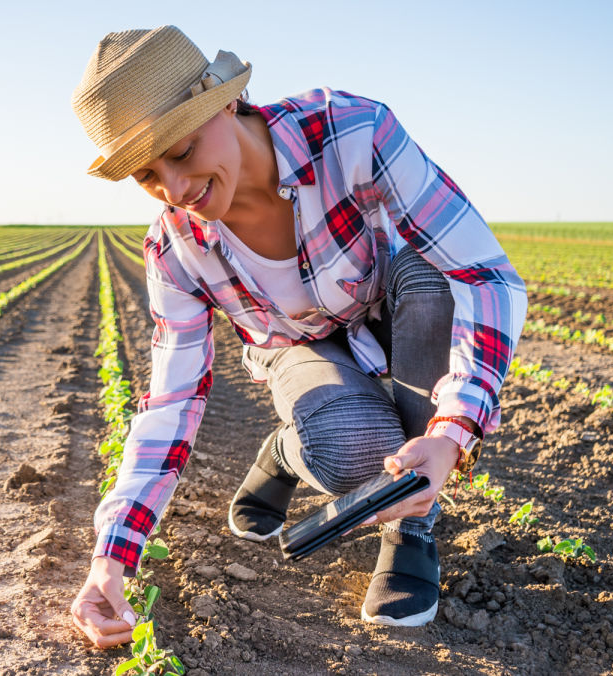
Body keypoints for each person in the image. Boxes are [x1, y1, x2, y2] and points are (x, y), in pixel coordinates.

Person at [68, 25, 527, 649]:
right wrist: (111, 560)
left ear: (224, 102)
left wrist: (452, 431)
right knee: (359, 452)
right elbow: (172, 401)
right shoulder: (175, 251)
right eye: (146, 176)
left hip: (388, 304)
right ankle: (287, 452)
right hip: (294, 346)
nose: (174, 191)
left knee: (432, 281)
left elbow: (483, 272)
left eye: (180, 151)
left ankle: (411, 530)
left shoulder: (352, 132)